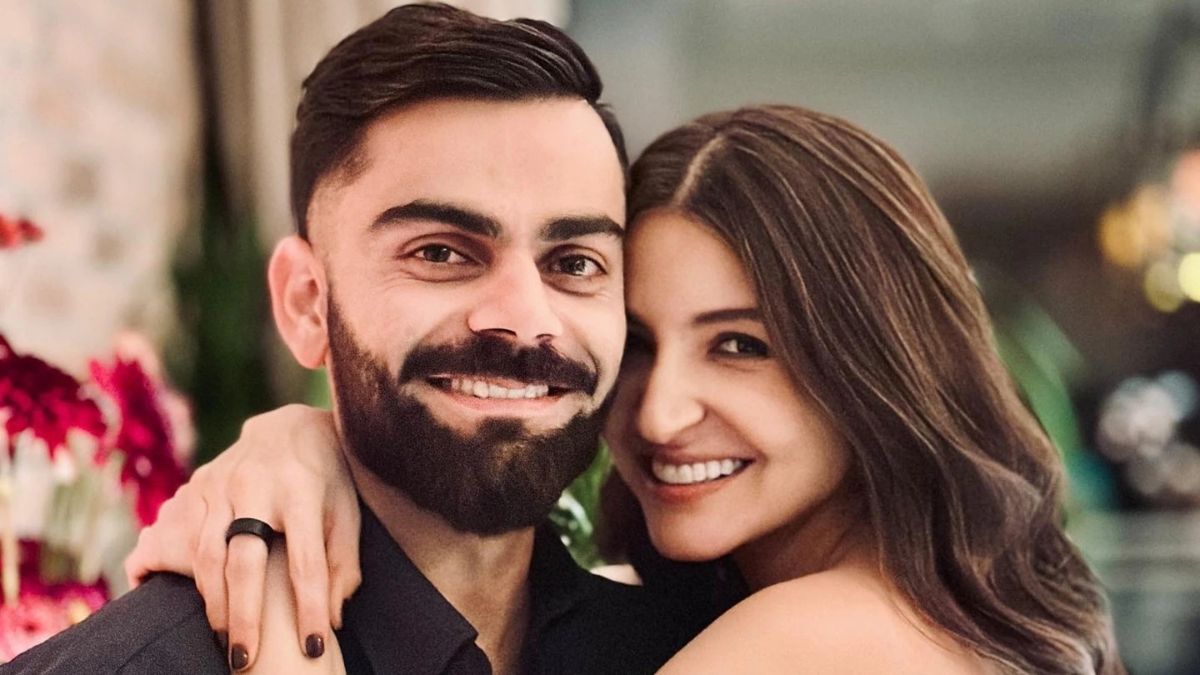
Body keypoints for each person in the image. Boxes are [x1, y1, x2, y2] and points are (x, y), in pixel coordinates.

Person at [129, 104, 1127, 674]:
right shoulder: (942, 607)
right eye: (640, 344)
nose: (658, 413)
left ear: (874, 364)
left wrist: (280, 627)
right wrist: (304, 441)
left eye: (741, 346)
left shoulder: (808, 642)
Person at [0, 4, 701, 674]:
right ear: (307, 303)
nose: (525, 319)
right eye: (440, 252)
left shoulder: (690, 652)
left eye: (575, 263)